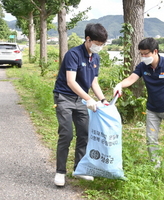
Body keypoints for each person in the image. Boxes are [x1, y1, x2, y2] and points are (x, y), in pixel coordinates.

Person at [113, 37, 164, 169]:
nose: (143, 57)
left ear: (155, 51)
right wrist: (119, 85)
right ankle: (155, 164)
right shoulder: (143, 66)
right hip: (152, 110)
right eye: (141, 54)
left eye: (146, 54)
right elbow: (131, 79)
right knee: (151, 138)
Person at [53, 23, 109, 186]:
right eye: (98, 44)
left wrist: (103, 100)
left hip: (81, 100)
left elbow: (94, 82)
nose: (99, 47)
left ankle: (80, 169)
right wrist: (89, 99)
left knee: (84, 134)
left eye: (102, 45)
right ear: (88, 39)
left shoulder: (96, 58)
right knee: (66, 134)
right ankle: (60, 172)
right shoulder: (73, 54)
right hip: (64, 97)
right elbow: (71, 82)